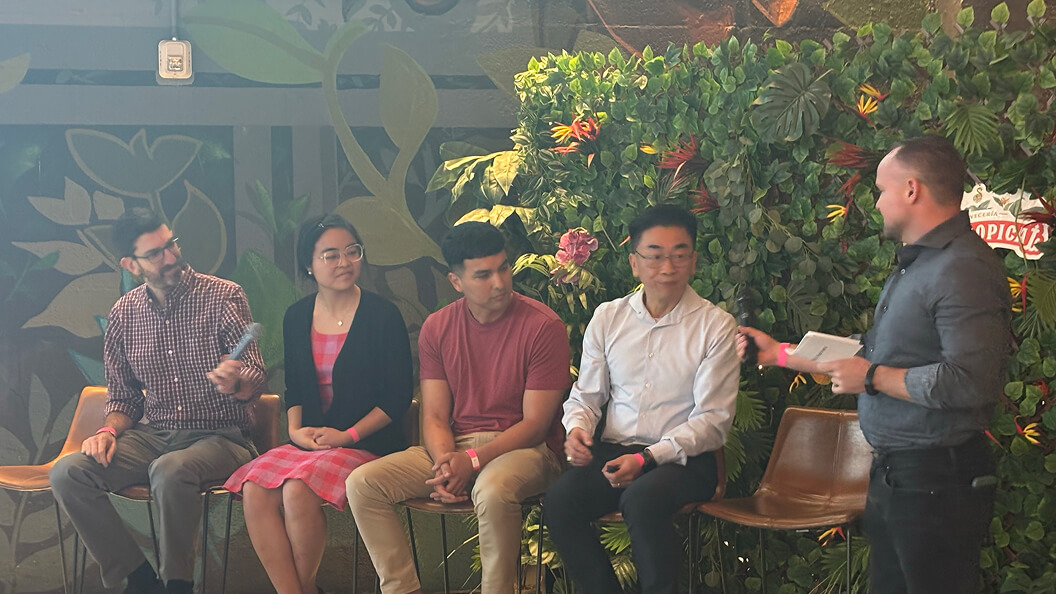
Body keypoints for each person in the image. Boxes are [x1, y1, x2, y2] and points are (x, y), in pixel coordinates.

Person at [738, 135, 1011, 593]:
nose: (878, 203)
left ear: (911, 189)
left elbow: (971, 381)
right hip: (897, 477)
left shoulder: (962, 268)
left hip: (937, 482)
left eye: (882, 190)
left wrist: (873, 378)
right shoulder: (917, 266)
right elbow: (871, 355)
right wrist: (779, 354)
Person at [49, 208, 266, 594]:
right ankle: (137, 580)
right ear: (131, 264)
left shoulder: (223, 295)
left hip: (222, 436)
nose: (170, 257)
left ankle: (177, 584)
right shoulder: (124, 313)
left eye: (171, 245)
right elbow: (124, 399)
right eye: (155, 254)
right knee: (68, 473)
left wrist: (237, 381)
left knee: (169, 470)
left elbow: (255, 375)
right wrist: (107, 431)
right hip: (155, 434)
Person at [346, 221, 570, 594]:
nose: (499, 283)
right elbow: (433, 415)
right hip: (456, 444)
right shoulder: (437, 327)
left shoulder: (543, 326)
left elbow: (536, 423)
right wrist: (448, 462)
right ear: (456, 281)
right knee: (364, 483)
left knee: (493, 489)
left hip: (525, 450)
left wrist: (473, 463)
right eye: (483, 275)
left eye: (504, 268)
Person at [544, 204, 740, 594]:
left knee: (643, 499)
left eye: (679, 254)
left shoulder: (715, 326)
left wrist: (648, 458)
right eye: (655, 255)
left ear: (694, 261)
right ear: (635, 263)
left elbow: (713, 421)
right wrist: (578, 430)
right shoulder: (608, 318)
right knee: (560, 501)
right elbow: (586, 394)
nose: (667, 267)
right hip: (616, 450)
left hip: (686, 461)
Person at [223, 214, 413, 594]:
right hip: (313, 441)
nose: (344, 262)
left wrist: (347, 435)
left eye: (351, 251)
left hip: (368, 442)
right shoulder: (297, 317)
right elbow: (296, 386)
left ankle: (303, 588)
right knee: (255, 488)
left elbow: (397, 398)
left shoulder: (383, 315)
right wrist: (294, 431)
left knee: (296, 489)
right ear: (309, 266)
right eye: (330, 255)